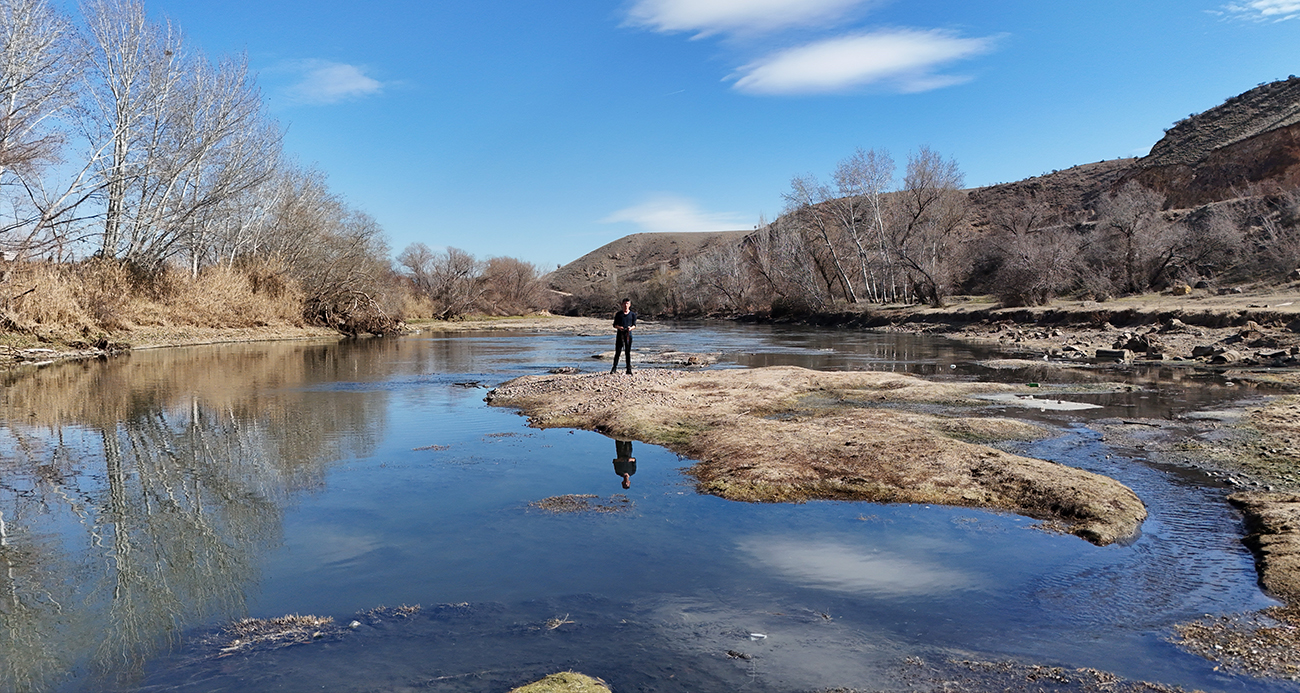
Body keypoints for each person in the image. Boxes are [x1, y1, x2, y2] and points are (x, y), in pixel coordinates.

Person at [611, 297, 636, 374]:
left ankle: (628, 369)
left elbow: (634, 325)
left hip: (628, 335)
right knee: (618, 352)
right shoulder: (618, 314)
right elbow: (614, 325)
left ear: (630, 304)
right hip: (620, 335)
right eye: (624, 303)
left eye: (627, 303)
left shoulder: (632, 314)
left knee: (627, 352)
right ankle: (614, 368)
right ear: (622, 304)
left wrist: (630, 328)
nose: (626, 305)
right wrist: (619, 327)